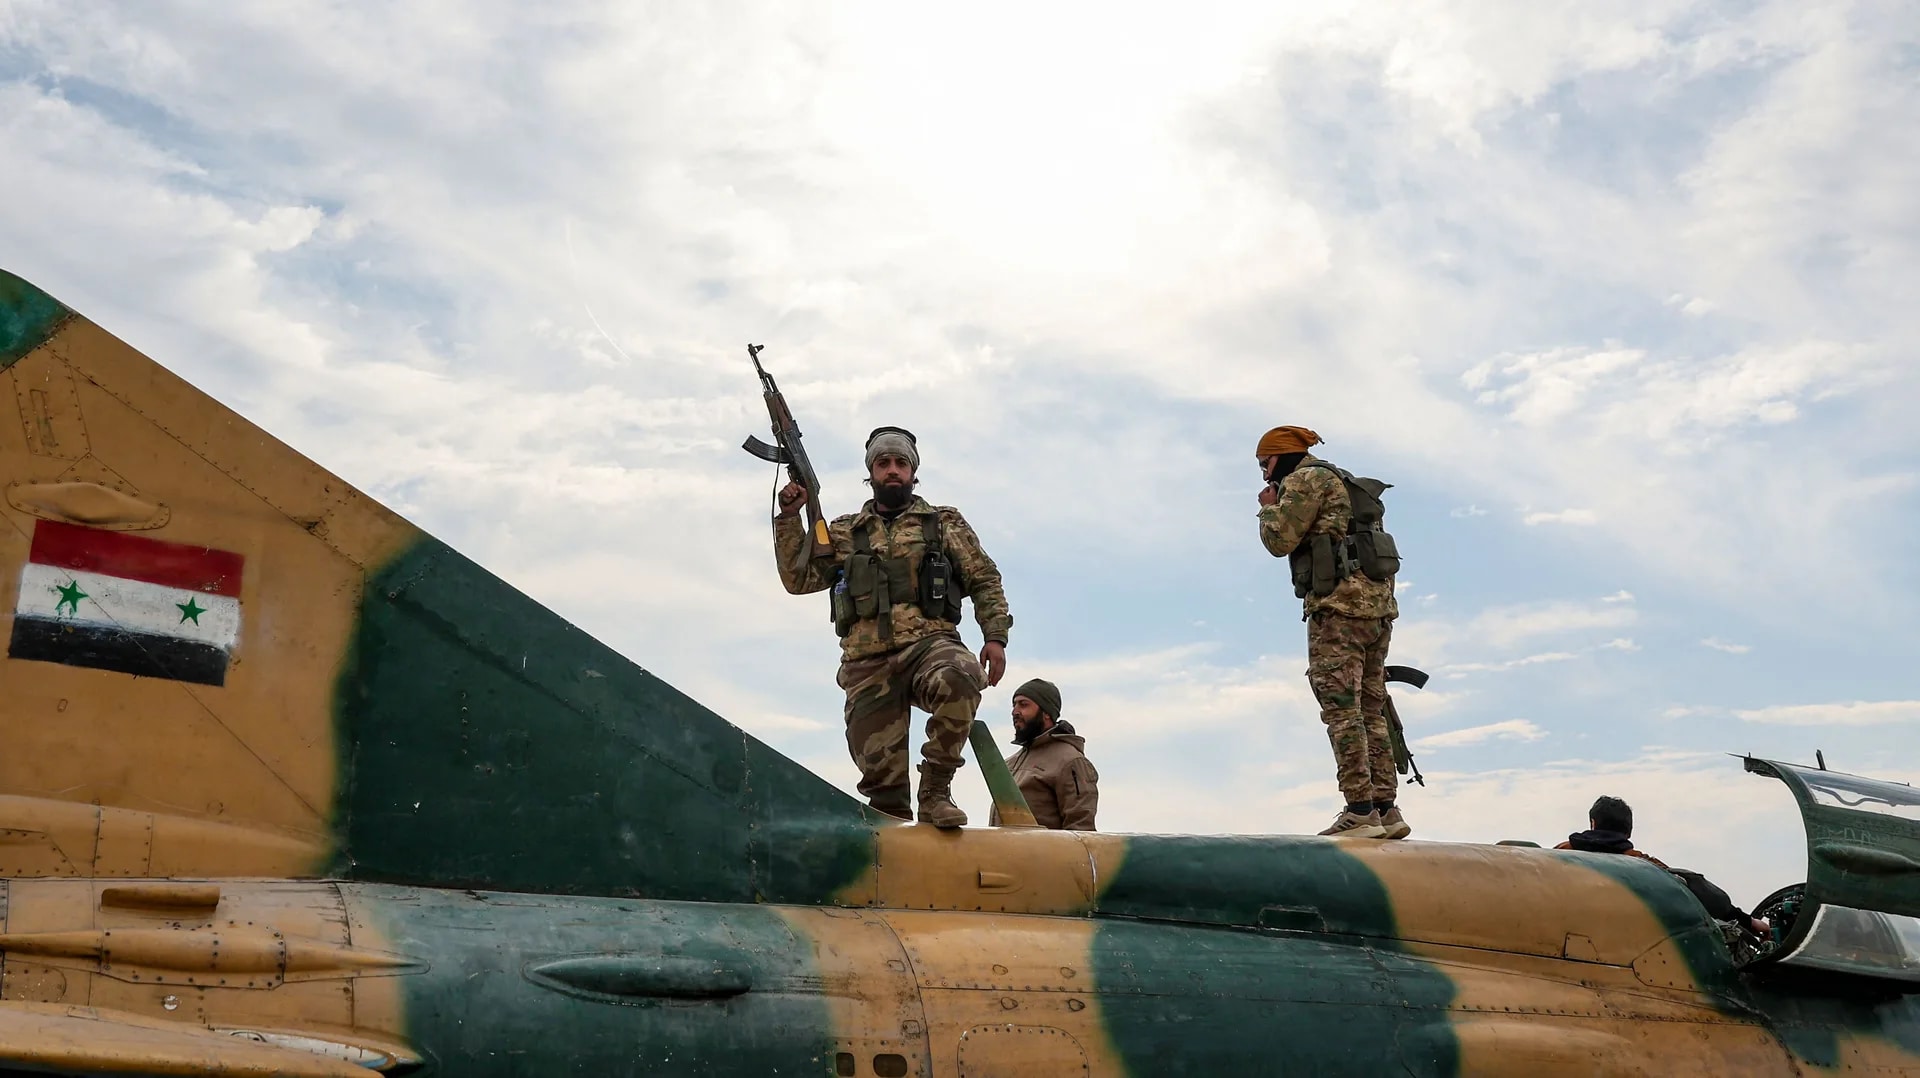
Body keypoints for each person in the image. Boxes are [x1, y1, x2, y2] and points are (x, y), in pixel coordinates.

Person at [773, 427, 1011, 828]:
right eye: (883, 463)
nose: (893, 470)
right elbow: (799, 580)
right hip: (867, 662)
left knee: (962, 675)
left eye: (901, 463)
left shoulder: (942, 522)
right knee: (884, 797)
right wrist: (790, 518)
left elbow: (984, 578)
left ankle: (935, 790)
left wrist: (995, 637)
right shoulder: (846, 531)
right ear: (871, 473)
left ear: (913, 472)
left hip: (928, 645)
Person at [1254, 426, 1405, 840]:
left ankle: (1359, 811)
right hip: (1376, 611)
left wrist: (1268, 508)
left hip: (1338, 611)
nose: (1266, 476)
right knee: (1371, 709)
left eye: (1265, 463)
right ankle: (1385, 808)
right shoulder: (1341, 479)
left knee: (1342, 710)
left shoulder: (1305, 479)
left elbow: (1280, 540)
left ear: (1281, 456)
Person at [1557, 796, 1770, 937]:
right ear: (1629, 832)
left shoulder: (1559, 854)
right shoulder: (1645, 865)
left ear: (1592, 823)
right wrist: (1748, 922)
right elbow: (1695, 891)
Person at [987, 678, 1098, 830]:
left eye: (1023, 704)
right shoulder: (1011, 763)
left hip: (1045, 853)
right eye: (1014, 705)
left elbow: (1081, 830)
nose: (1015, 712)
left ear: (1046, 713)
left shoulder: (1071, 760)